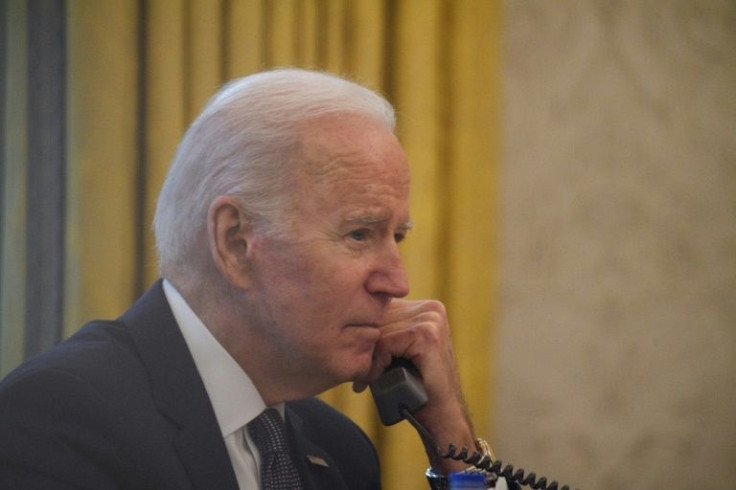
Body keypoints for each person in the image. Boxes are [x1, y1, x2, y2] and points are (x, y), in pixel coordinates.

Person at [0, 69, 509, 489]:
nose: (397, 283)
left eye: (396, 237)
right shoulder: (59, 418)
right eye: (359, 234)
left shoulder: (340, 450)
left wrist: (453, 442)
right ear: (236, 241)